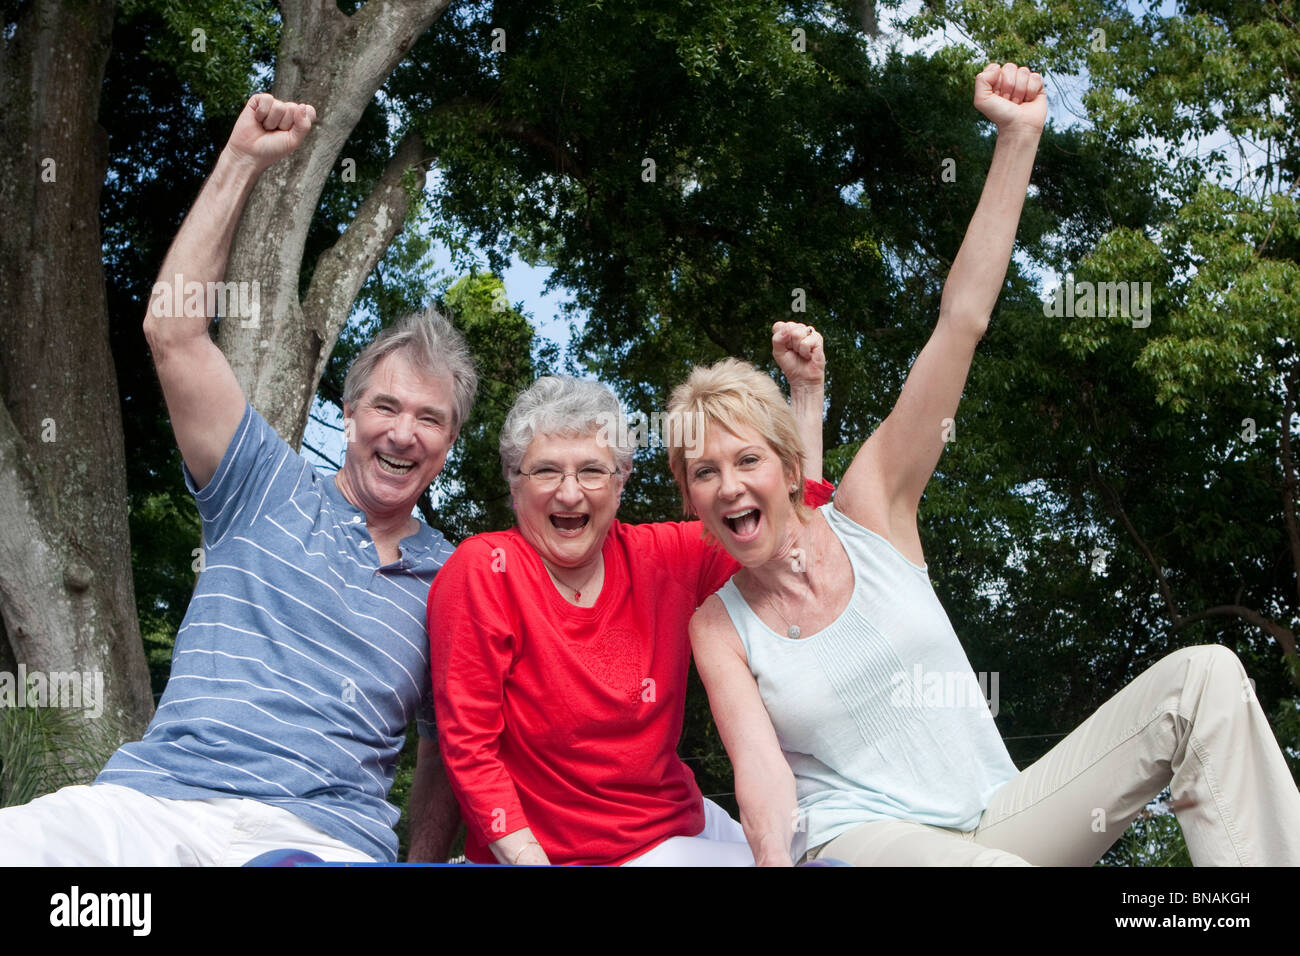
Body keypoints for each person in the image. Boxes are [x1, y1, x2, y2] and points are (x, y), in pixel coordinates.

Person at [668, 63, 1300, 866]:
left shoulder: (871, 510)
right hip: (860, 842)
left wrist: (1017, 139)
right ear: (688, 496)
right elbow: (762, 781)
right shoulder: (720, 625)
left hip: (997, 821)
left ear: (790, 466)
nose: (727, 485)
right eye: (702, 472)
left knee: (1203, 680)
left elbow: (960, 323)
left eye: (744, 459)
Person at [0, 94, 466, 865]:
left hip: (317, 840)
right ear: (348, 417)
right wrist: (243, 159)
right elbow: (175, 333)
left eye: (430, 418)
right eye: (385, 406)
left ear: (448, 445)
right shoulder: (262, 483)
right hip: (154, 808)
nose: (402, 432)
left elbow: (450, 750)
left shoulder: (458, 580)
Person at [426, 323, 833, 865]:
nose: (570, 493)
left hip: (684, 826)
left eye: (592, 470)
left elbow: (788, 519)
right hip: (561, 854)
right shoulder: (485, 569)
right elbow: (469, 750)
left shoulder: (665, 556)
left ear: (621, 482)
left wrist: (806, 395)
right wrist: (525, 857)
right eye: (546, 470)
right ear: (514, 482)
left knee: (823, 847)